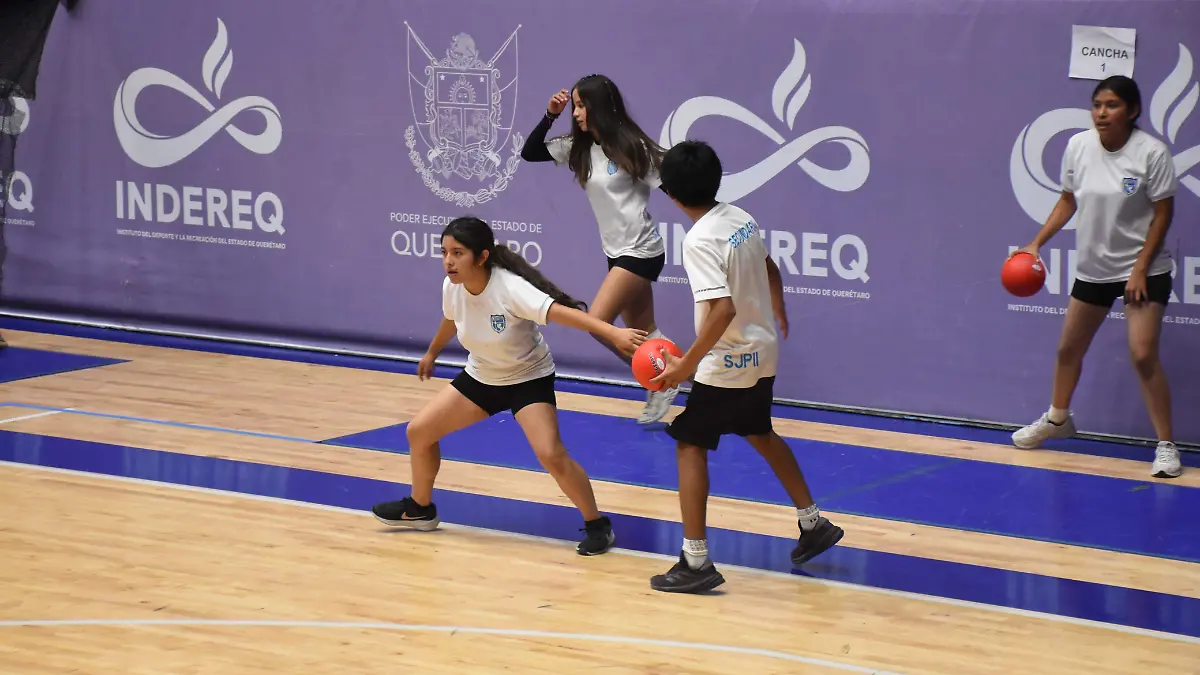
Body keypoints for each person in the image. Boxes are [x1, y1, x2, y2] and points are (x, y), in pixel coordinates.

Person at [371, 216, 648, 555]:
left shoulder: (510, 289)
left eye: (458, 253)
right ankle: (420, 509)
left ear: (482, 257)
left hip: (527, 379)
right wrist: (432, 352)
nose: (448, 261)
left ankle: (597, 525)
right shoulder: (452, 287)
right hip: (482, 376)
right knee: (419, 432)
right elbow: (451, 318)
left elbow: (564, 314)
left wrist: (614, 332)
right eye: (444, 252)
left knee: (551, 453)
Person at [645, 140, 844, 593]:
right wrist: (778, 309)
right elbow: (769, 267)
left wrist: (684, 367)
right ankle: (812, 523)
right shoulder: (741, 218)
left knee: (689, 444)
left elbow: (722, 310)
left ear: (671, 194)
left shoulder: (698, 240)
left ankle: (696, 561)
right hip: (764, 352)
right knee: (760, 432)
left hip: (728, 362)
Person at [1009, 75, 1182, 479]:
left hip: (1145, 268)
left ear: (1133, 111)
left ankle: (1166, 445)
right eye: (1097, 104)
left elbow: (1163, 213)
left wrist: (1139, 267)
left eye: (1113, 105)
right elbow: (1068, 200)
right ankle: (1057, 419)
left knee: (1143, 354)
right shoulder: (1078, 146)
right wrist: (1036, 243)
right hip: (1096, 267)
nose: (1102, 112)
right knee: (1068, 349)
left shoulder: (1151, 153)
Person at [520, 73, 679, 425]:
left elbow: (672, 185)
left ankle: (662, 378)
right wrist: (550, 114)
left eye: (581, 106)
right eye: (574, 106)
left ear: (600, 107)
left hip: (641, 249)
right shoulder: (577, 148)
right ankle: (671, 375)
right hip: (616, 252)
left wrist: (709, 224)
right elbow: (529, 153)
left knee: (598, 324)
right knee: (644, 332)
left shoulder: (631, 146)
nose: (576, 113)